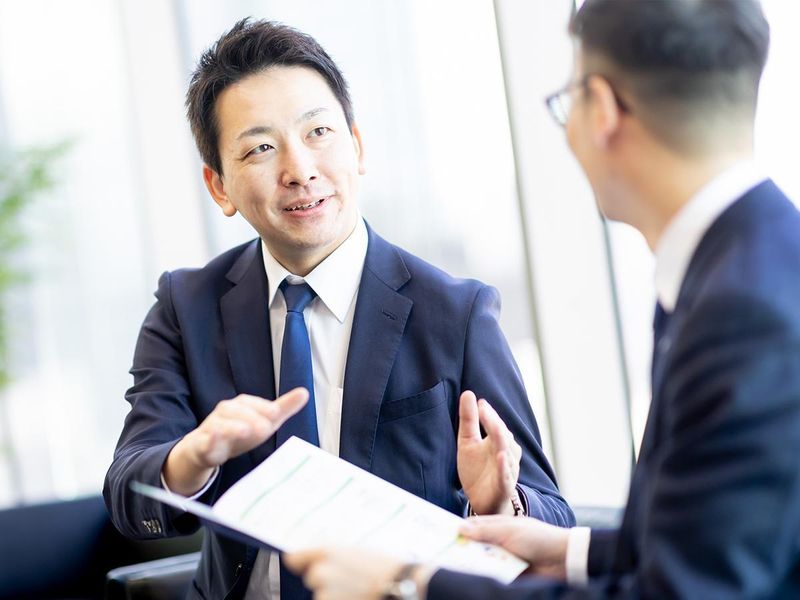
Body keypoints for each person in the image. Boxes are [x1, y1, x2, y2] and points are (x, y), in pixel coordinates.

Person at [285, 0, 800, 598]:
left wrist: (408, 583)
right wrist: (566, 550)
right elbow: (703, 535)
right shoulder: (749, 262)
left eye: (567, 100)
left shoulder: (744, 312)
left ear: (601, 108)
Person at [102, 18, 573, 600]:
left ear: (357, 146)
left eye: (318, 132)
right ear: (219, 186)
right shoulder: (185, 306)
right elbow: (128, 494)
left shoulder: (456, 313)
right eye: (261, 148)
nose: (299, 170)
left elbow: (554, 515)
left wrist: (499, 504)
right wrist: (192, 456)